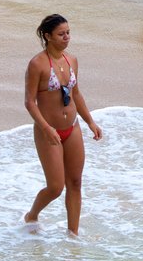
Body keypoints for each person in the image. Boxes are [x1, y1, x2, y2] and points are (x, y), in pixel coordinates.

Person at [23, 14, 102, 235]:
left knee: (75, 182)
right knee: (56, 187)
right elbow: (30, 102)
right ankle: (32, 215)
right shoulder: (37, 64)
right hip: (49, 131)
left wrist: (90, 122)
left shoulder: (72, 60)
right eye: (61, 34)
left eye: (68, 32)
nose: (66, 37)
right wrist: (46, 128)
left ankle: (73, 235)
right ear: (47, 36)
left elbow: (76, 93)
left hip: (72, 128)